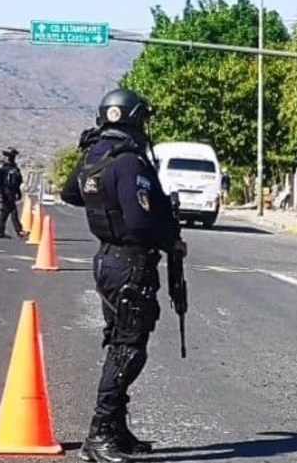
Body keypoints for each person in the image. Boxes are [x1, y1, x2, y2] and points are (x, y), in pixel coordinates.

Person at [60, 88, 187, 462]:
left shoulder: (95, 154)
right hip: (131, 263)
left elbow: (71, 193)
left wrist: (104, 205)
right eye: (144, 118)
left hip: (107, 260)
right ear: (133, 118)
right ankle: (98, 434)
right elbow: (141, 222)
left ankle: (116, 429)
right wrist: (172, 243)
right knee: (129, 349)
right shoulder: (130, 161)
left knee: (120, 342)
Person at [0, 147, 28, 240]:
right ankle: (18, 231)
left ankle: (2, 232)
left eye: (13, 156)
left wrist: (18, 192)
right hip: (5, 194)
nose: (11, 158)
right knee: (10, 213)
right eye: (10, 156)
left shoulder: (14, 168)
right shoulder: (2, 168)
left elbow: (17, 182)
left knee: (7, 213)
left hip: (11, 194)